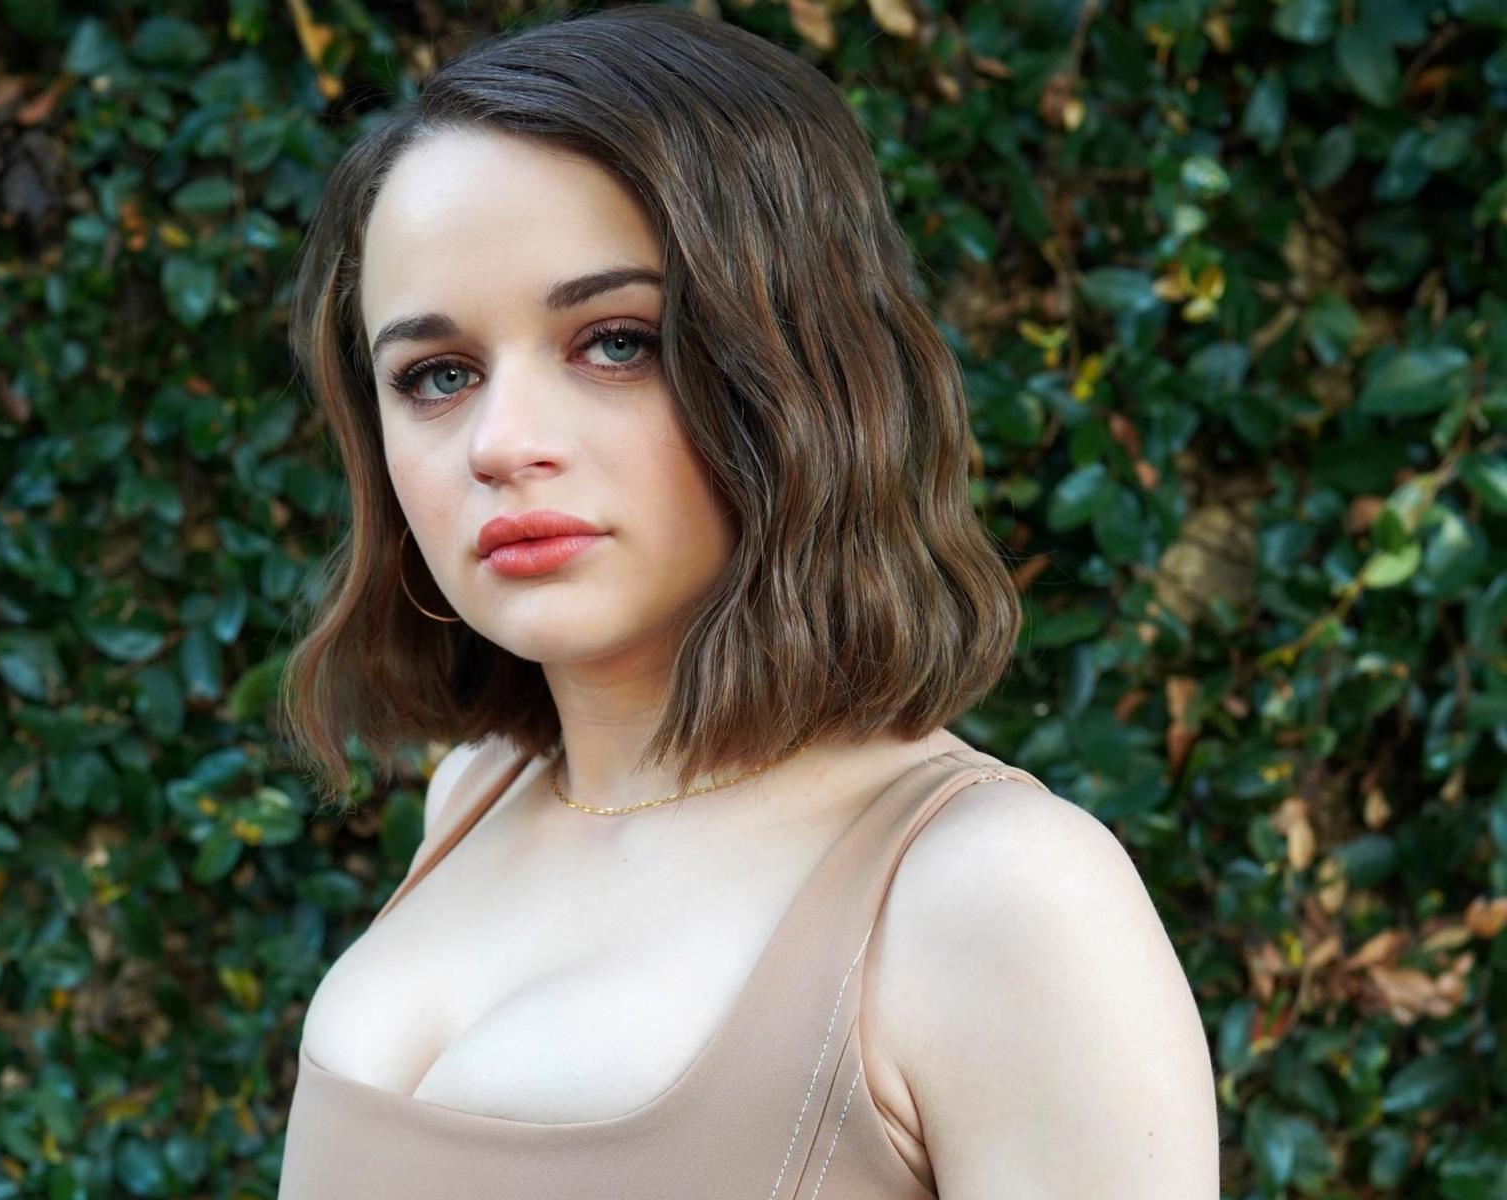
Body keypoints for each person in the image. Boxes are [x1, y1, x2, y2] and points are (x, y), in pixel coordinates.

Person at [273, 5, 1218, 1196]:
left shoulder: (997, 895)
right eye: (437, 374)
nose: (501, 443)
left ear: (802, 368)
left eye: (617, 342)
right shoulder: (474, 794)